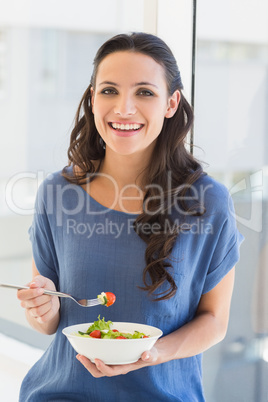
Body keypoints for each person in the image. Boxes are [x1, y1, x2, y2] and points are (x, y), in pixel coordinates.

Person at [17, 32, 244, 401]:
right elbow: (49, 321)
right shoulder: (58, 192)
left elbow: (215, 321)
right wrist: (42, 309)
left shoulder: (208, 201)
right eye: (109, 91)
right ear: (92, 100)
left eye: (144, 92)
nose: (123, 108)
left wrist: (155, 354)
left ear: (171, 104)